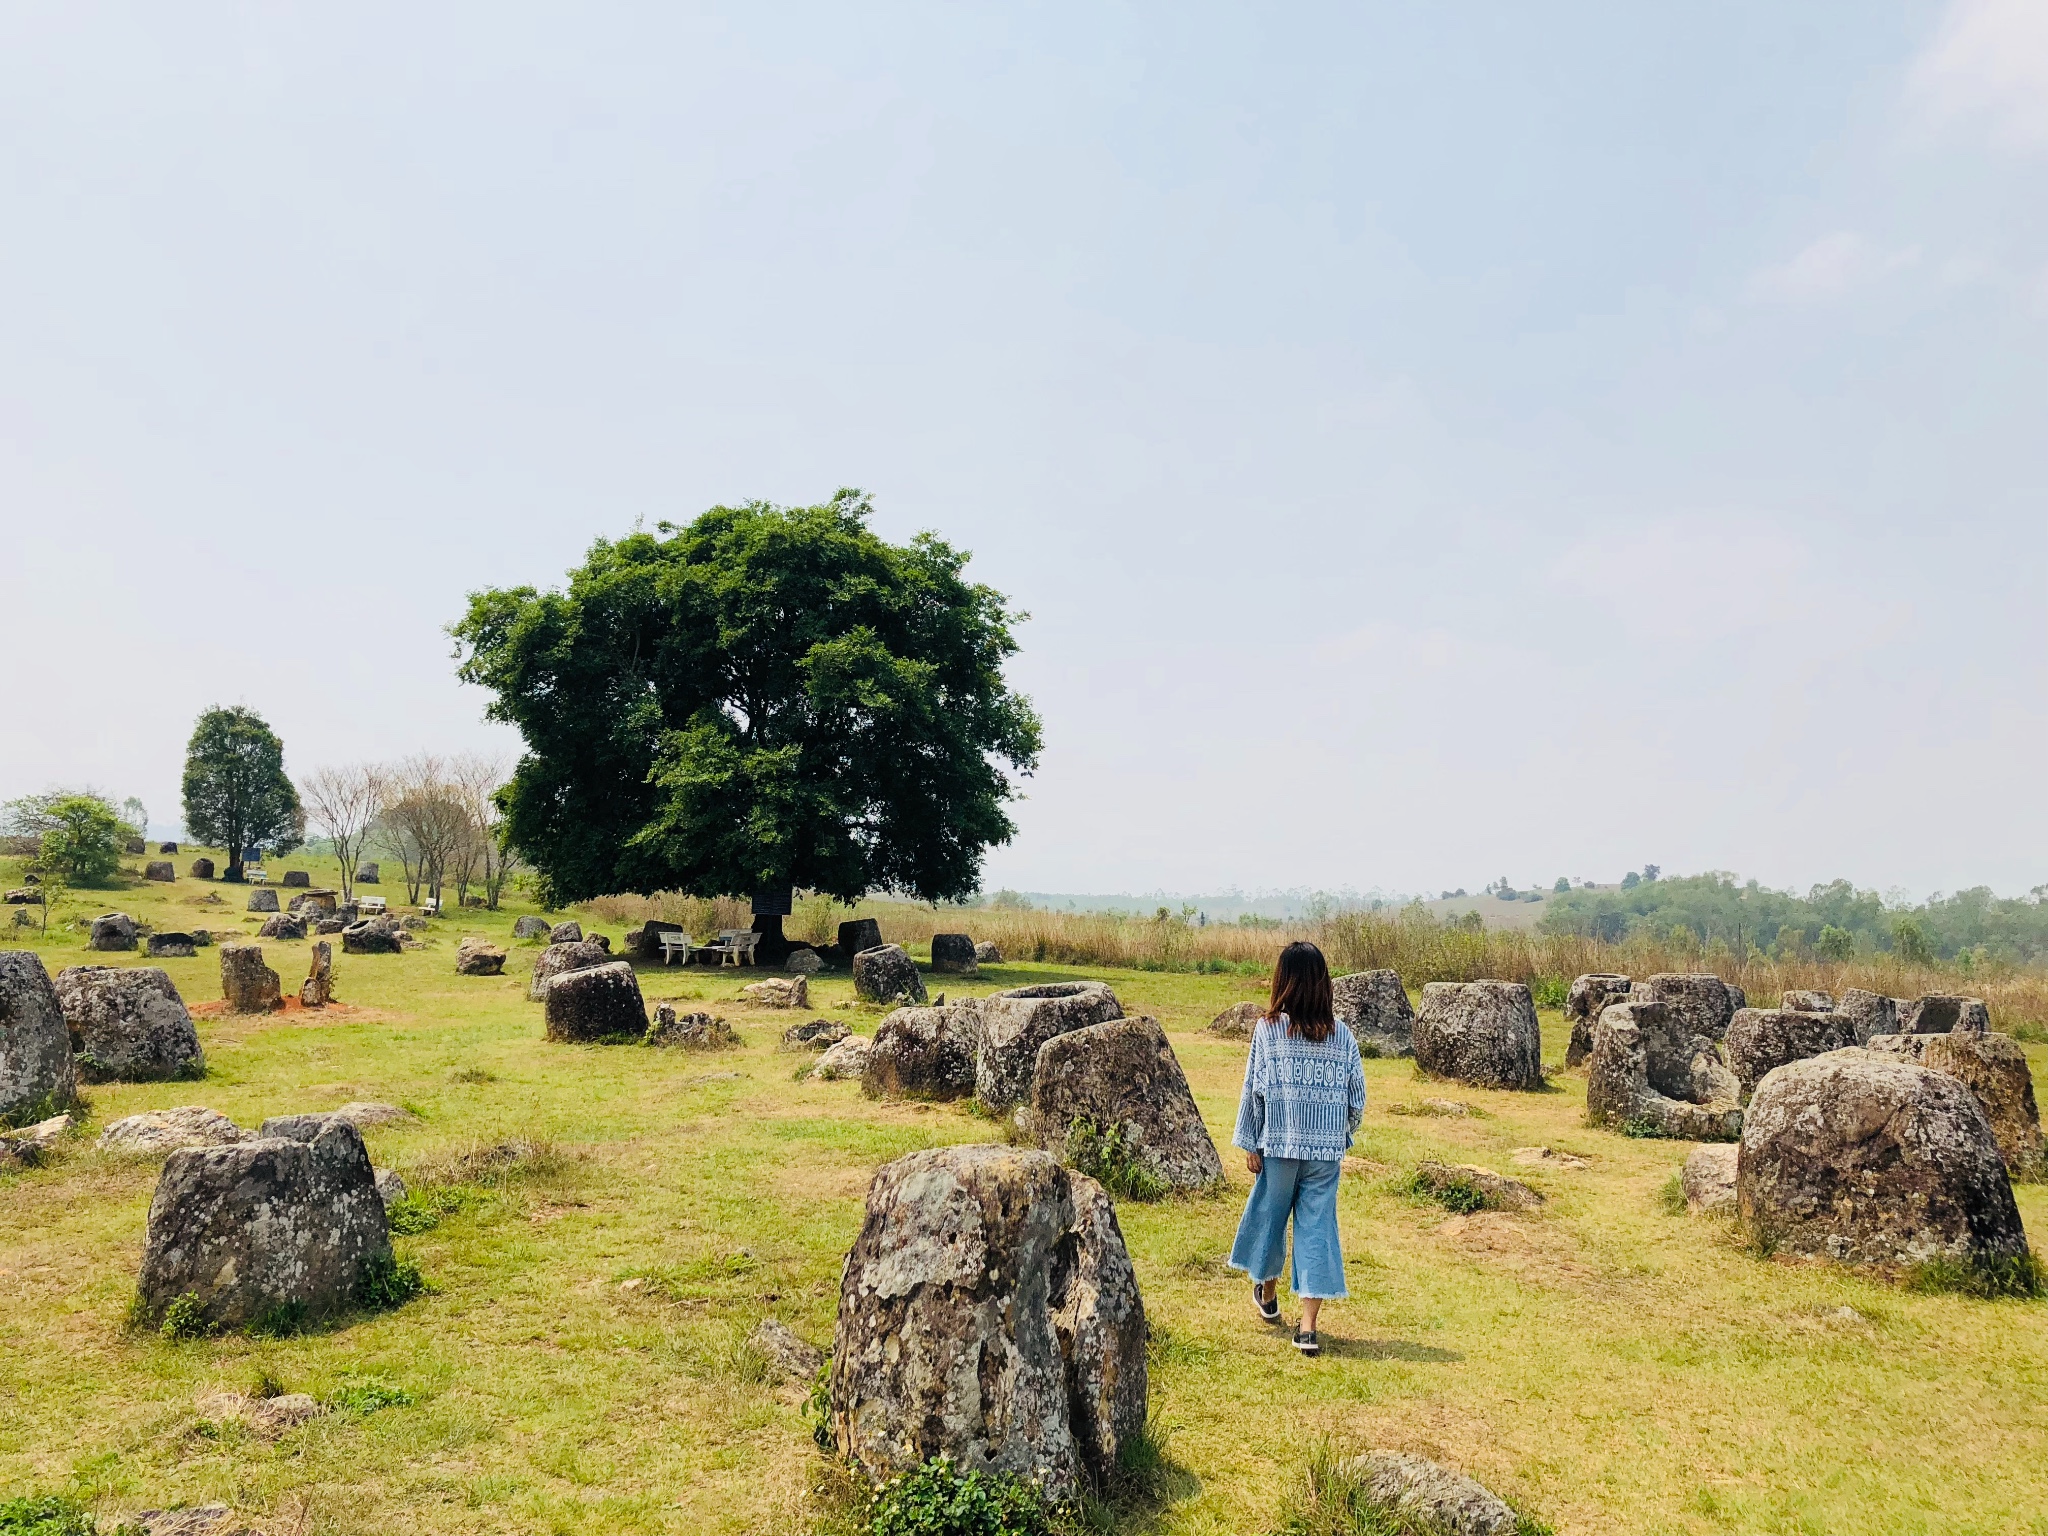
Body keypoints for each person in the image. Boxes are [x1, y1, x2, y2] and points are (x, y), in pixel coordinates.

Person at [1226, 940, 1366, 1357]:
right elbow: (1356, 1098)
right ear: (1323, 983)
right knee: (1317, 1231)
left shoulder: (1268, 1030)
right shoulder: (1343, 1036)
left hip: (1279, 1146)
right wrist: (1341, 1132)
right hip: (1324, 1152)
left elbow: (1254, 1090)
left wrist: (1251, 1142)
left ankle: (1267, 1296)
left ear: (1282, 982)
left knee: (1269, 1219)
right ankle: (1307, 1329)